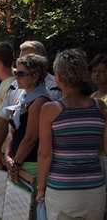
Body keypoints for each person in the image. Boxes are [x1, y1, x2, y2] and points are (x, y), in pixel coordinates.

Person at [37, 49, 107, 220]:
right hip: (95, 190)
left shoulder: (50, 110)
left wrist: (40, 189)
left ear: (58, 77)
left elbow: (45, 154)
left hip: (62, 189)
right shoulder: (99, 106)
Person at [4, 54, 50, 179]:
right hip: (17, 162)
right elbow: (11, 132)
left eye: (21, 74)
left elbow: (30, 139)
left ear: (35, 77)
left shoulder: (40, 101)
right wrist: (7, 156)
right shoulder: (22, 98)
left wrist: (15, 164)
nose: (16, 77)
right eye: (16, 73)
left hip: (31, 165)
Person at [89, 54, 107, 202]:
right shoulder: (92, 96)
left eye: (101, 71)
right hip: (91, 155)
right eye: (94, 71)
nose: (97, 74)